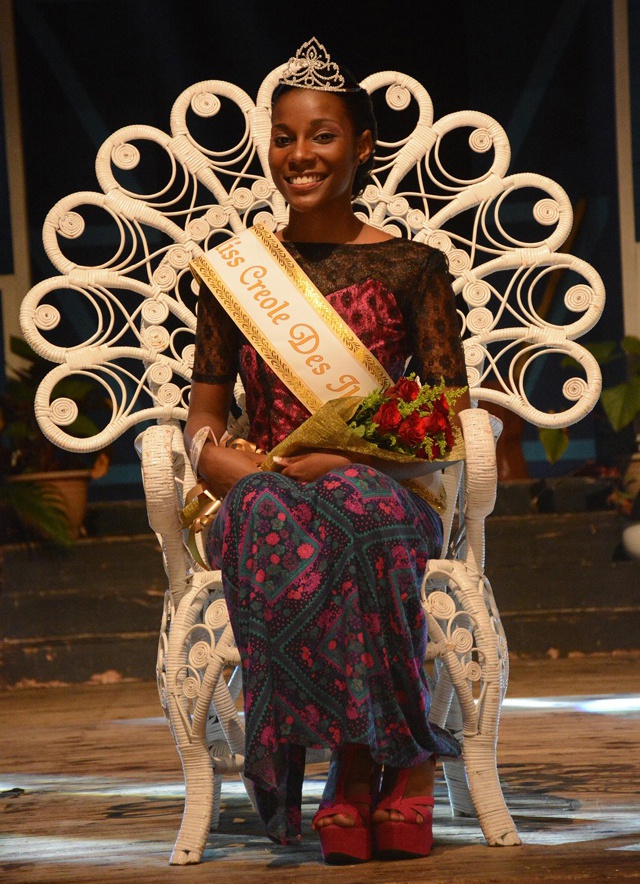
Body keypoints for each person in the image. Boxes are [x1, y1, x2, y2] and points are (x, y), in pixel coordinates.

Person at [184, 37, 470, 865]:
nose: (299, 154)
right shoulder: (237, 274)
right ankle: (387, 756)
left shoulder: (413, 267)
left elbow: (445, 420)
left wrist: (349, 463)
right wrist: (231, 463)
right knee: (271, 513)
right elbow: (203, 422)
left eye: (322, 135)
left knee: (367, 518)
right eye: (284, 137)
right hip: (265, 486)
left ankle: (363, 764)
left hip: (386, 492)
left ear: (361, 147)